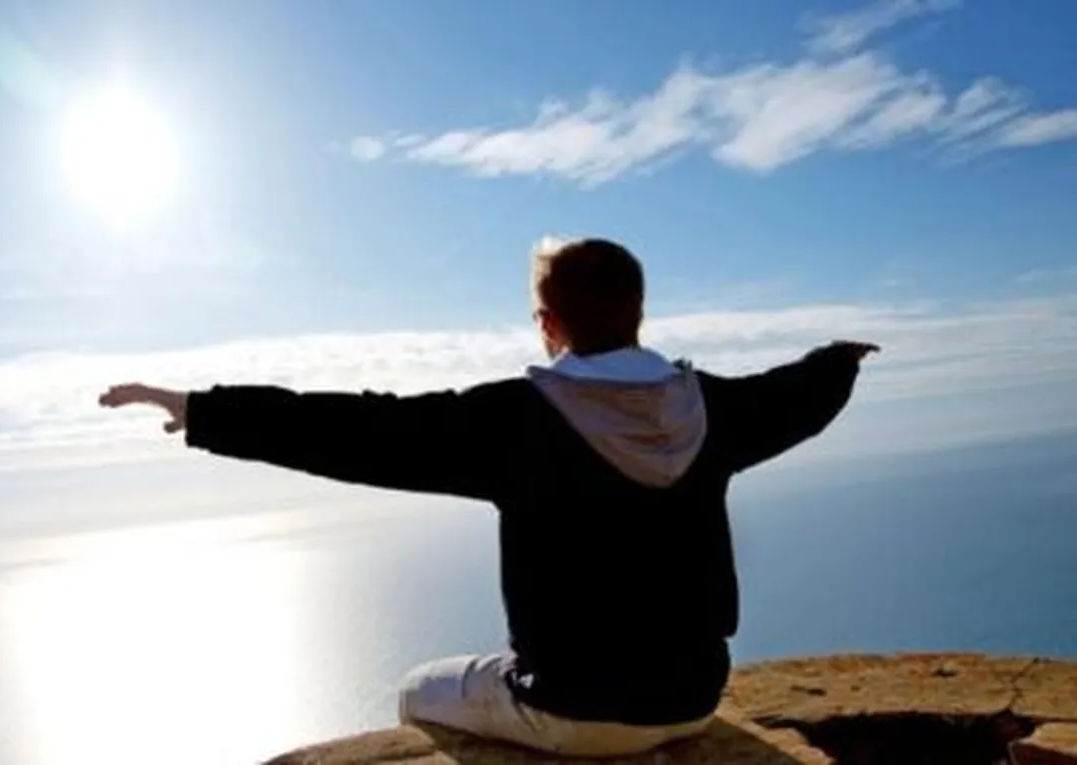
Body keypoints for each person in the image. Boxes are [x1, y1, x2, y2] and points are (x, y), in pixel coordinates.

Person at [98, 236, 878, 758]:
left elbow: (358, 429)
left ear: (549, 323)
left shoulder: (517, 420)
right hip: (693, 695)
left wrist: (202, 410)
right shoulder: (711, 407)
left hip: (573, 711)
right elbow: (794, 395)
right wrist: (838, 360)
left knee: (416, 691)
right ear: (638, 313)